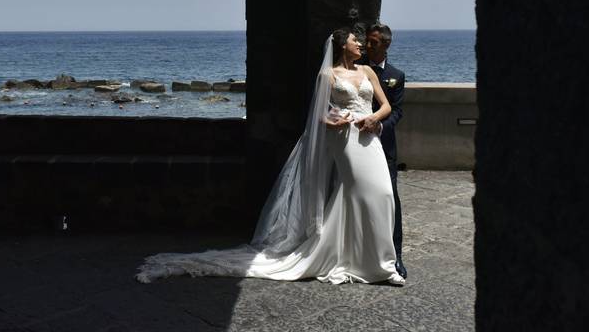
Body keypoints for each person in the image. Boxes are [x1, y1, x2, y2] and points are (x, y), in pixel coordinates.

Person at [136, 28, 405, 285]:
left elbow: (386, 106)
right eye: (353, 40)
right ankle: (371, 264)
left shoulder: (368, 70)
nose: (359, 44)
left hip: (369, 137)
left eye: (360, 41)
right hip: (345, 140)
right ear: (341, 46)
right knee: (359, 193)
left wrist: (372, 119)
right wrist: (332, 123)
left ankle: (375, 260)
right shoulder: (328, 75)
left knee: (382, 193)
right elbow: (318, 114)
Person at [357, 23, 407, 279]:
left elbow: (397, 111)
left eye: (374, 43)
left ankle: (396, 255)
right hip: (356, 143)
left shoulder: (396, 75)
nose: (368, 46)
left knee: (390, 198)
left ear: (386, 44)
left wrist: (380, 126)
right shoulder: (354, 69)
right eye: (367, 41)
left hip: (384, 145)